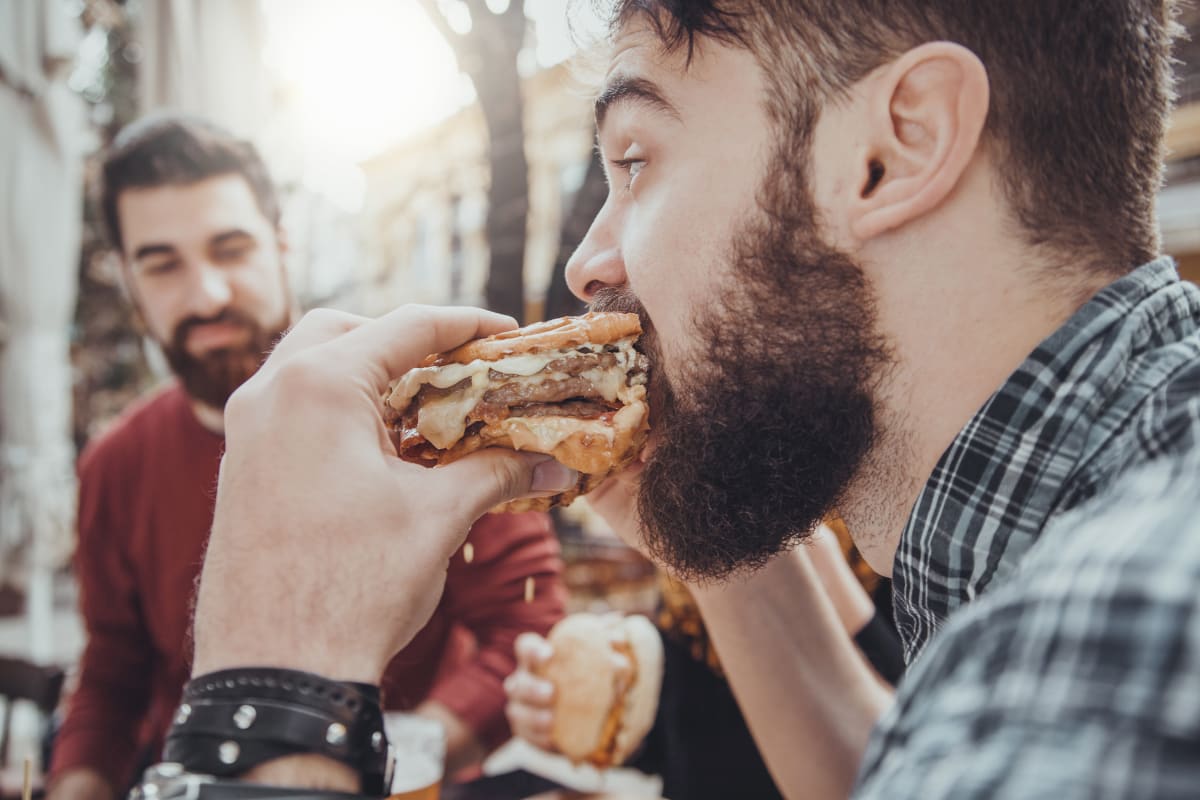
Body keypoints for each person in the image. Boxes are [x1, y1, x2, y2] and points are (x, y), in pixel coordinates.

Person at [145, 0, 1200, 797]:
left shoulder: (1122, 634)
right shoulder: (1063, 550)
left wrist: (275, 671)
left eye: (637, 159)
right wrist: (712, 531)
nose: (590, 267)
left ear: (893, 150)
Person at [46, 116, 567, 800]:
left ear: (282, 243)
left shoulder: (427, 411)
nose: (207, 294)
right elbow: (112, 676)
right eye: (162, 263)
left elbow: (527, 620)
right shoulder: (114, 464)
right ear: (127, 280)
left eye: (230, 249)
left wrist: (398, 762)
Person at [504, 522, 903, 800]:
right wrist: (610, 712)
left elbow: (928, 752)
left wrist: (824, 585)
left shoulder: (910, 522)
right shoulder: (706, 497)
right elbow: (697, 727)